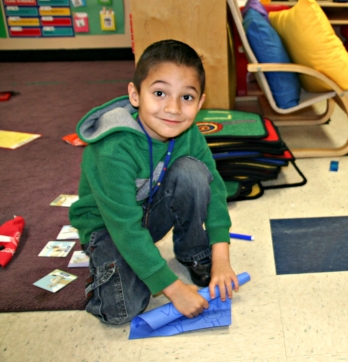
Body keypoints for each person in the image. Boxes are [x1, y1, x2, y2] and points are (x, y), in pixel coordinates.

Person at [69, 39, 239, 325]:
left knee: (194, 172)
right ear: (135, 95)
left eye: (186, 97)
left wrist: (221, 258)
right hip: (108, 228)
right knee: (121, 311)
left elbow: (215, 189)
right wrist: (174, 290)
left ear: (201, 102)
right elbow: (124, 227)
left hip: (149, 212)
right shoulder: (112, 148)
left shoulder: (187, 132)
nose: (173, 109)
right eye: (160, 93)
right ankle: (103, 275)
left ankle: (195, 254)